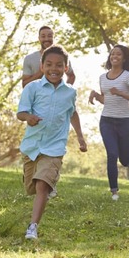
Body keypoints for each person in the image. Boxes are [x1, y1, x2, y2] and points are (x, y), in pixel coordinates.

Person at [17, 45, 87, 239]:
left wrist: (80, 137)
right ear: (42, 65)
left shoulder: (70, 93)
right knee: (31, 187)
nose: (53, 69)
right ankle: (48, 183)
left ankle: (32, 227)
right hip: (32, 146)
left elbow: (72, 113)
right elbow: (20, 112)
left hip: (54, 147)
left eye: (58, 65)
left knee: (41, 186)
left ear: (66, 68)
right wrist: (28, 117)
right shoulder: (32, 87)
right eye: (49, 64)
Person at [88, 44, 129, 201]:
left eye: (118, 54)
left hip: (125, 122)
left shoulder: (128, 77)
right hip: (106, 121)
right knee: (112, 154)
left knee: (124, 159)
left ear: (124, 58)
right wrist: (95, 95)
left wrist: (121, 93)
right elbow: (106, 100)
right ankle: (114, 191)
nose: (115, 57)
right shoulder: (102, 78)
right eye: (112, 54)